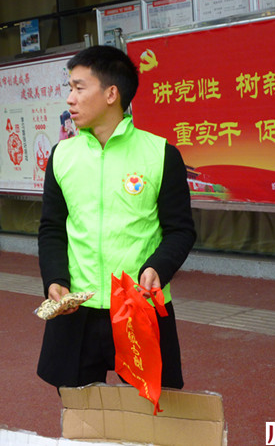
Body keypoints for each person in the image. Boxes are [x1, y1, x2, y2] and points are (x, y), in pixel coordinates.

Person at [37, 45, 196, 390]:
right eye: (69, 88)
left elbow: (180, 231)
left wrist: (158, 268)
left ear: (111, 94)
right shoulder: (62, 155)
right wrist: (54, 279)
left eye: (79, 88)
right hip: (77, 309)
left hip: (139, 305)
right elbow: (52, 228)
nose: (70, 98)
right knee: (80, 414)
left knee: (147, 413)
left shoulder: (161, 154)